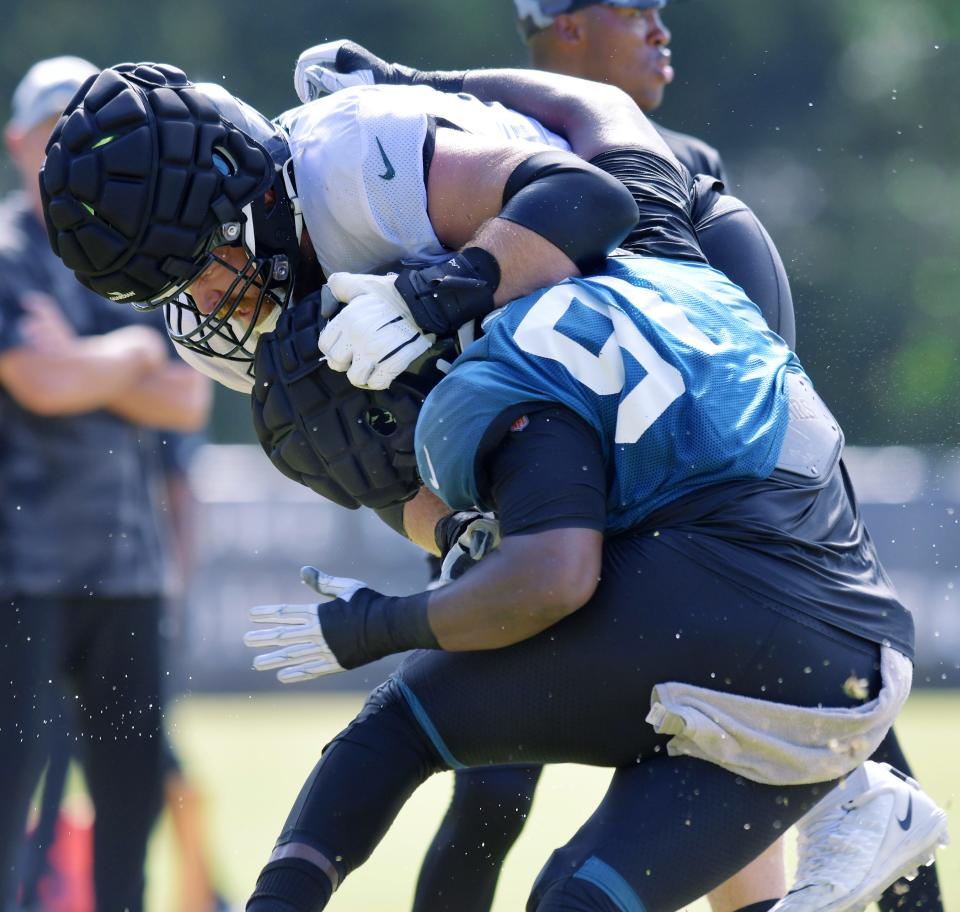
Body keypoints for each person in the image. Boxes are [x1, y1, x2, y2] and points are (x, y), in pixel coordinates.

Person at [38, 62, 947, 912]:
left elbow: (597, 188)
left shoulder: (360, 160)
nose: (201, 304)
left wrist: (445, 280)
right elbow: (394, 479)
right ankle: (840, 764)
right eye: (169, 290)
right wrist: (464, 541)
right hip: (574, 397)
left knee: (687, 622)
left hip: (667, 300)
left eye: (199, 263)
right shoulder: (299, 337)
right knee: (609, 690)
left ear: (251, 194)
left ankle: (851, 776)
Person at [0, 56, 211, 912]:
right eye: (52, 134)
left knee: (130, 805)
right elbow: (36, 382)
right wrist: (134, 359)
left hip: (127, 580)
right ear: (18, 145)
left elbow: (192, 396)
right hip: (21, 578)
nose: (69, 153)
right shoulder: (9, 254)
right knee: (12, 796)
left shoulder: (149, 251)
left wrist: (89, 360)